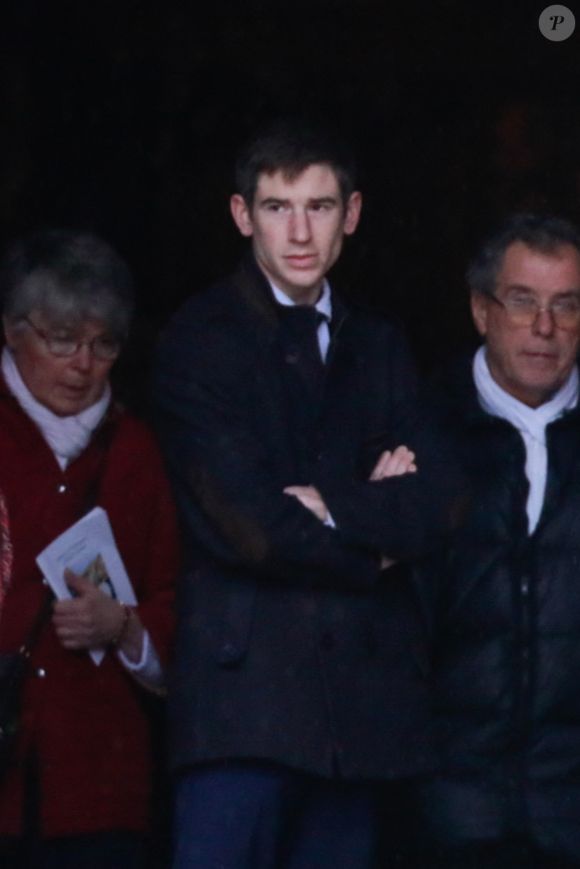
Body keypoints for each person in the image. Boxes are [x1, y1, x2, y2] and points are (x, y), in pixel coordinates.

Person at [153, 118, 456, 869]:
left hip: (357, 714)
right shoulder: (199, 339)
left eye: (319, 207)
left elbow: (443, 498)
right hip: (241, 711)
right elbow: (248, 525)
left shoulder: (379, 341)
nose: (298, 231)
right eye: (277, 206)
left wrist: (328, 502)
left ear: (350, 215)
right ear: (241, 215)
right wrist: (373, 538)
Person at [0, 229, 178, 868]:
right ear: (12, 330)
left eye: (103, 345)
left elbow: (174, 600)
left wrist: (123, 628)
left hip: (101, 788)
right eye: (61, 340)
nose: (82, 364)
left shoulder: (136, 453)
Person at [415, 213, 580, 869]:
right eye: (523, 301)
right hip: (445, 813)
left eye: (566, 306)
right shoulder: (421, 430)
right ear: (482, 310)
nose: (545, 327)